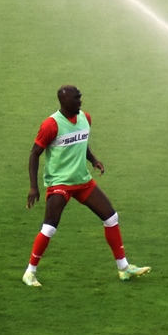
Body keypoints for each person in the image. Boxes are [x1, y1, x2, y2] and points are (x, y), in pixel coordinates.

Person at [23, 84, 151, 287]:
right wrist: (33, 187)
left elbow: (81, 141)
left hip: (82, 181)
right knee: (49, 228)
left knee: (111, 218)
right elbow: (34, 154)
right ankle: (30, 272)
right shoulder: (51, 125)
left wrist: (93, 160)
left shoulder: (85, 118)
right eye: (76, 97)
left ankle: (124, 268)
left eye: (80, 96)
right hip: (60, 182)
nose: (80, 100)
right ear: (64, 101)